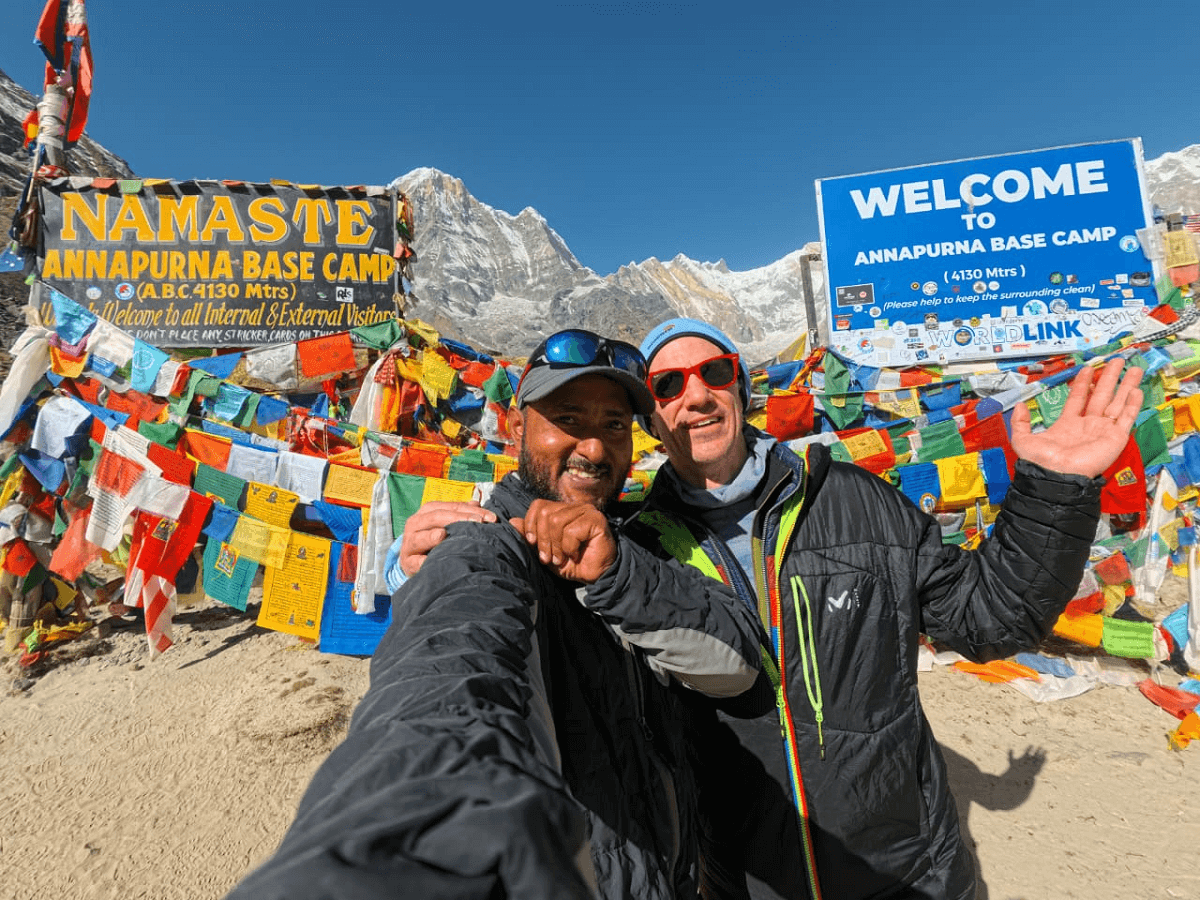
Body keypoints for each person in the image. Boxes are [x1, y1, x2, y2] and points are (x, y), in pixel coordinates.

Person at [400, 317, 1143, 900]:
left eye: (713, 373)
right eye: (665, 386)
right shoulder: (633, 545)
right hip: (745, 883)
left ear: (741, 390)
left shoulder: (854, 501)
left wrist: (1054, 489)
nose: (694, 396)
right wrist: (456, 563)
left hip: (908, 873)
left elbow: (990, 621)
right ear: (654, 422)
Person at [226, 329, 771, 900]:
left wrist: (617, 576)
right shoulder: (480, 542)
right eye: (568, 417)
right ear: (516, 426)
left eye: (614, 426)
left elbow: (738, 663)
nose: (593, 448)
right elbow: (453, 665)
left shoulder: (639, 540)